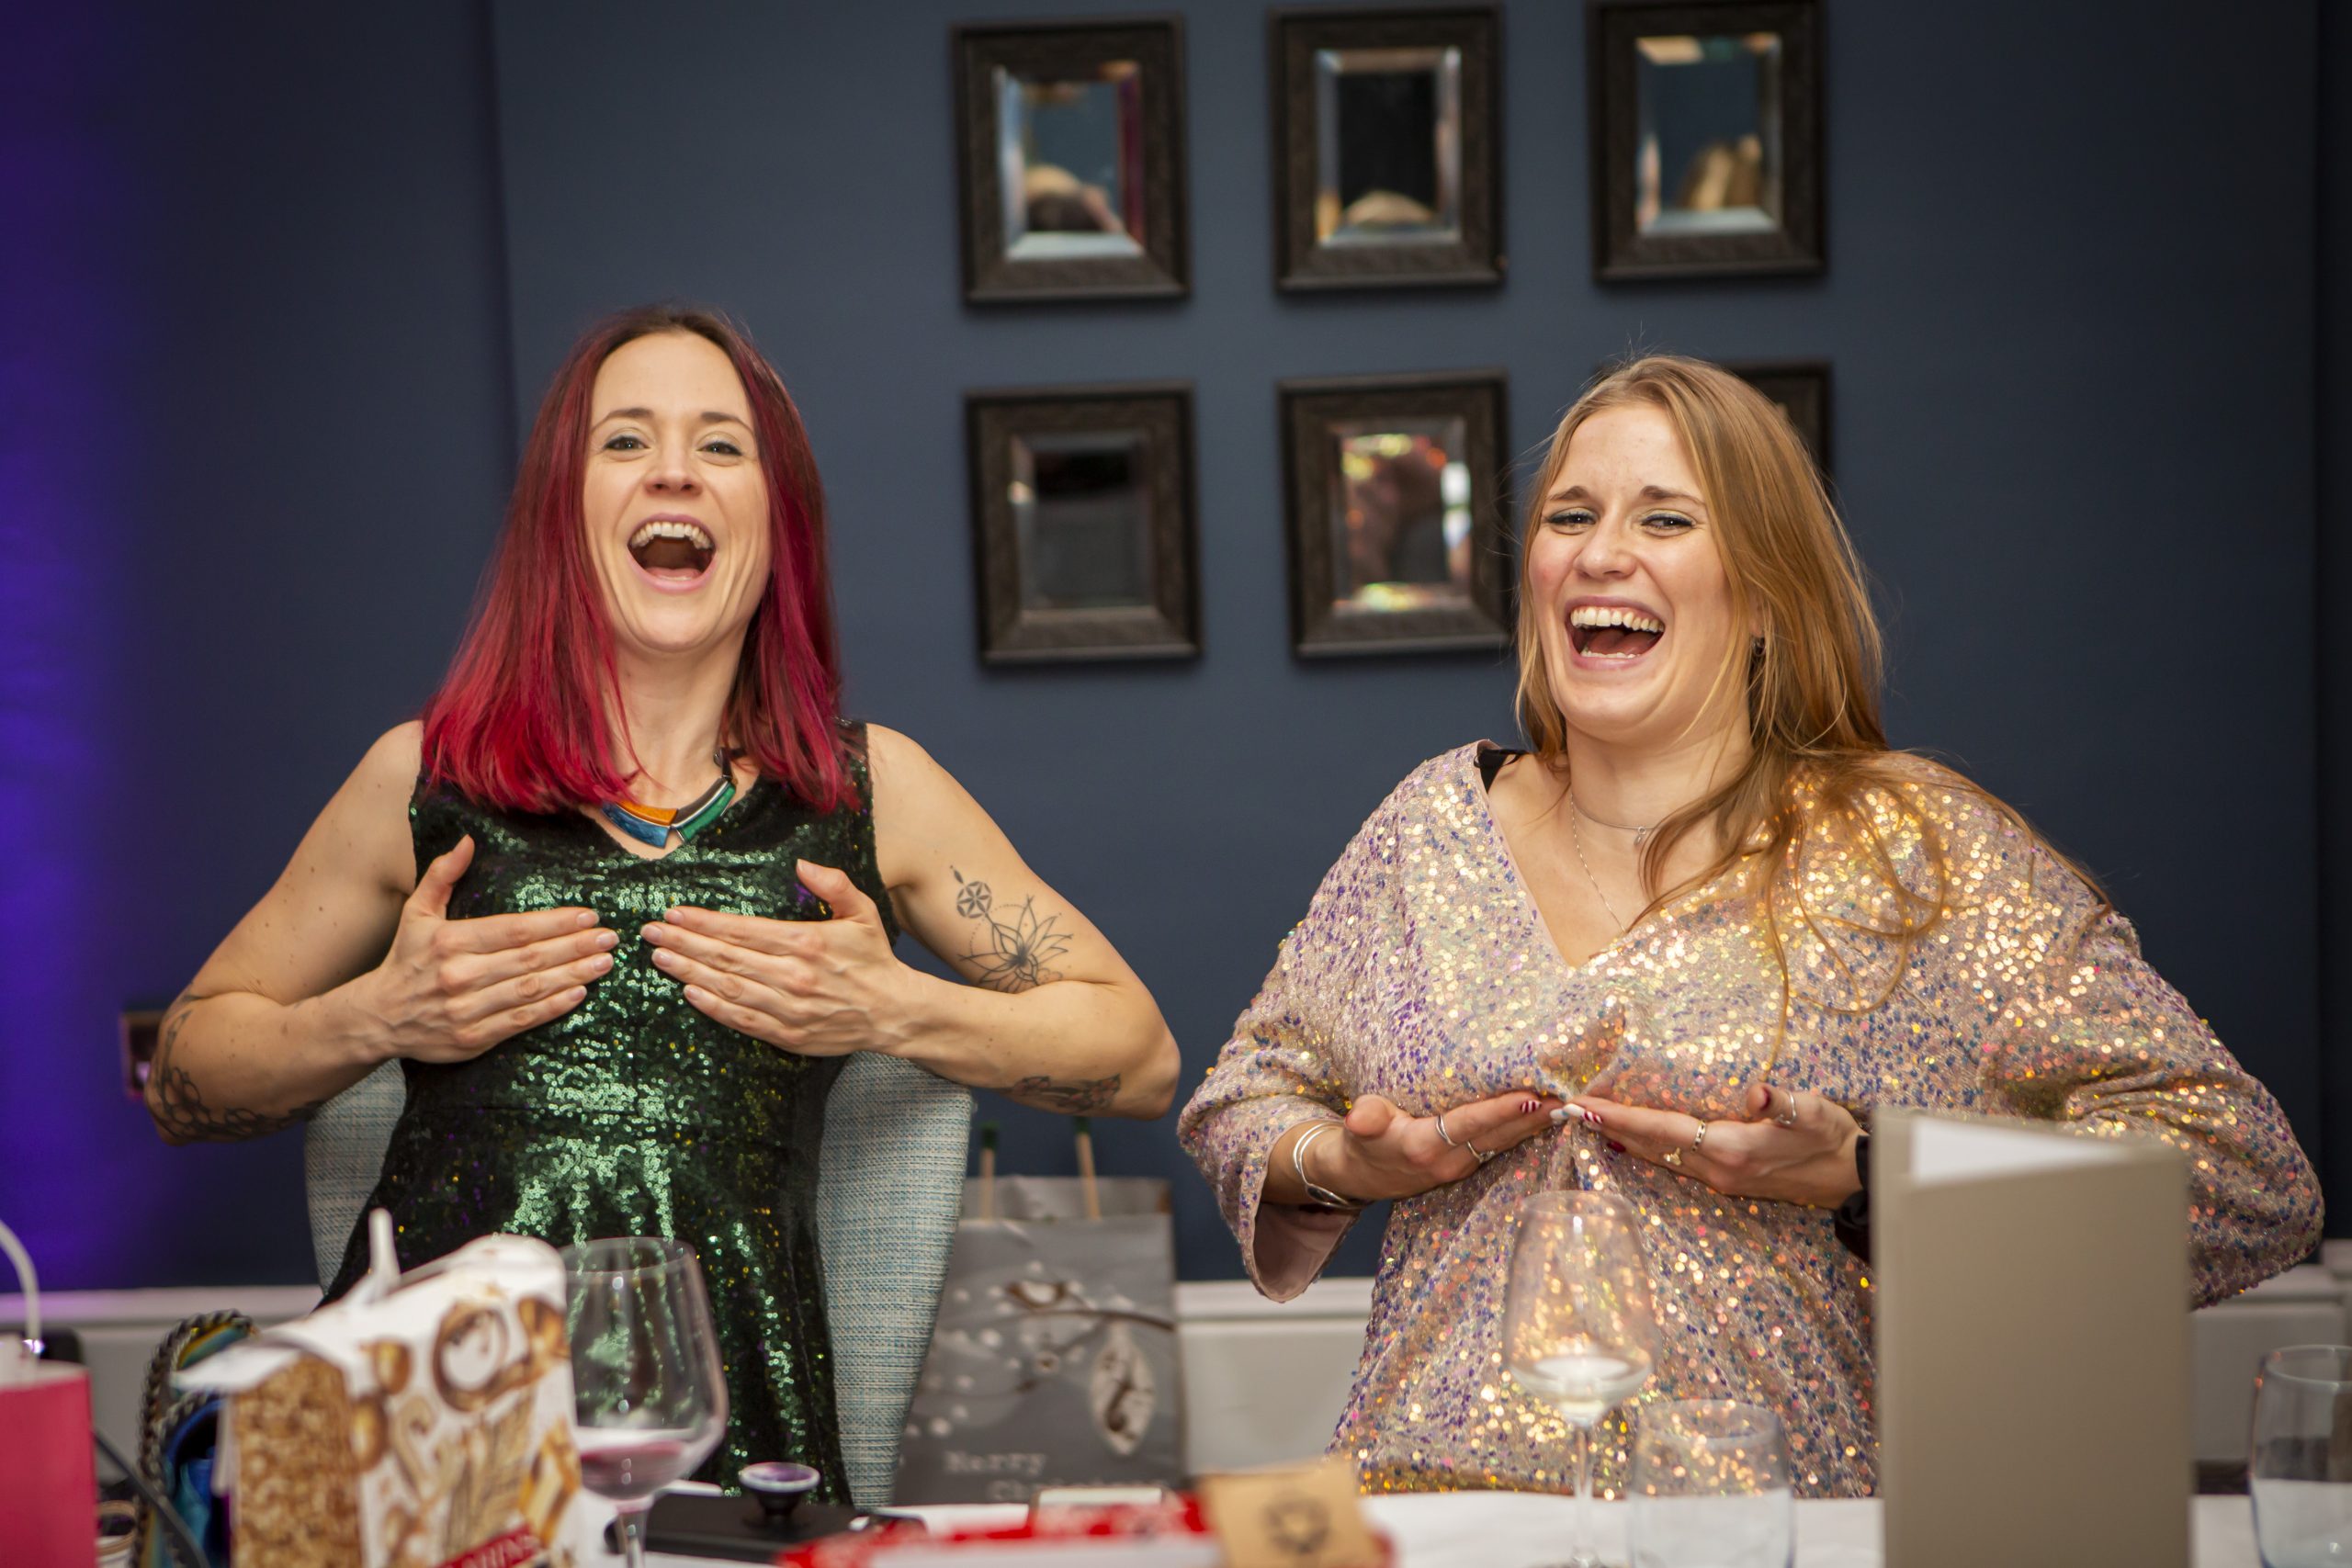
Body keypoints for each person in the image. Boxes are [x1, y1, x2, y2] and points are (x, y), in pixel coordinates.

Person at [1178, 355, 2320, 1498]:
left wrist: (1872, 1175)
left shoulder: (1913, 849)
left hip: (1770, 1527)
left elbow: (2244, 1182)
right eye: (1569, 516)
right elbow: (1245, 1093)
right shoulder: (1430, 827)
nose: (1599, 553)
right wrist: (1338, 1161)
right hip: (1429, 1516)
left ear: (1767, 593)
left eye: (1665, 518)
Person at [143, 304, 1182, 1497]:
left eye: (721, 444)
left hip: (729, 1450)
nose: (676, 469)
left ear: (778, 525)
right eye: (625, 440)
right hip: (425, 1465)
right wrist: (376, 1016)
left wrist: (893, 1008)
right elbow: (185, 1073)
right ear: (559, 511)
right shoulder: (421, 779)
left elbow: (1140, 1057)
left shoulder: (870, 792)